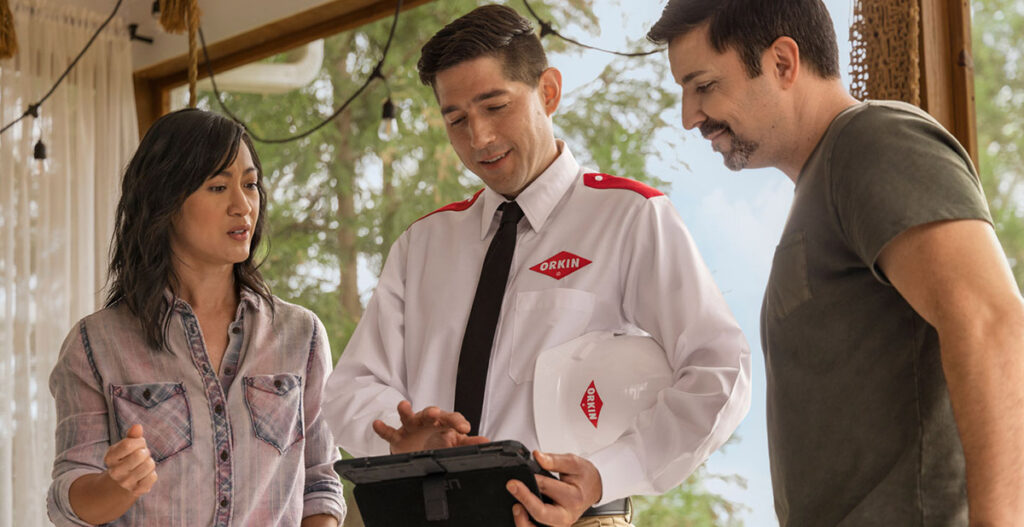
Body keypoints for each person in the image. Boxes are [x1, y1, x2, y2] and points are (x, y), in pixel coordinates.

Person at [323, 5, 751, 527]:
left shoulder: (630, 219)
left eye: (495, 106)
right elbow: (348, 389)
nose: (478, 137)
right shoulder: (422, 245)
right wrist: (400, 433)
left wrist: (606, 472)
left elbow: (720, 370)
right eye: (455, 119)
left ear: (548, 92)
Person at [647, 0, 1024, 525]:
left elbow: (992, 324)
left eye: (704, 85)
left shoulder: (872, 141)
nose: (690, 117)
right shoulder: (822, 186)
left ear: (782, 62)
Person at [47, 108, 346, 526]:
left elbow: (320, 483)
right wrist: (117, 486)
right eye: (218, 186)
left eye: (250, 185)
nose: (242, 205)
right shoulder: (95, 344)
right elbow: (68, 502)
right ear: (165, 202)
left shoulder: (302, 335)